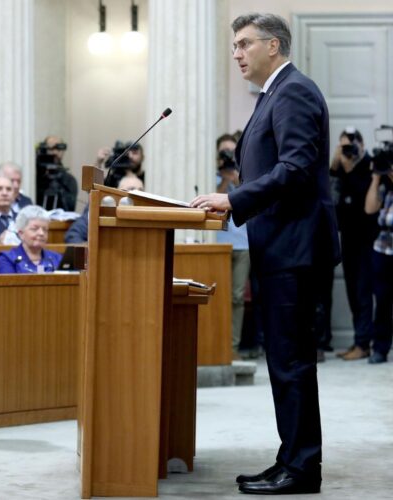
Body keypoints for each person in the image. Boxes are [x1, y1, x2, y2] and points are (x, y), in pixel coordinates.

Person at [191, 13, 339, 495]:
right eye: (234, 45)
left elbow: (295, 167)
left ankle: (302, 469)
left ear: (273, 45)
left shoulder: (293, 91)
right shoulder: (273, 94)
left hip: (294, 247)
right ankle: (290, 459)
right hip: (279, 245)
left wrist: (233, 199)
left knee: (292, 361)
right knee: (283, 360)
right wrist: (236, 201)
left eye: (244, 43)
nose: (236, 53)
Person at [330, 128, 379, 361]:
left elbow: (365, 204)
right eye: (343, 146)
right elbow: (332, 199)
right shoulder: (340, 168)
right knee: (352, 292)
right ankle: (360, 341)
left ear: (361, 145)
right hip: (347, 239)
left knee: (362, 293)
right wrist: (334, 167)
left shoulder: (371, 166)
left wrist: (349, 170)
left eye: (350, 146)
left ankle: (363, 344)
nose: (347, 150)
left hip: (367, 240)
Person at [213, 133, 252, 359]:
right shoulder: (211, 177)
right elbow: (211, 205)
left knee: (237, 297)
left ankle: (233, 348)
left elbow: (248, 202)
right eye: (224, 152)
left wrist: (236, 180)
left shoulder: (244, 176)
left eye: (231, 151)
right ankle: (217, 346)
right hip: (219, 243)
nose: (227, 156)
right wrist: (224, 180)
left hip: (242, 244)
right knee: (218, 296)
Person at [362, 154, 393, 364]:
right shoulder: (384, 186)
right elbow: (369, 209)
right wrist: (375, 177)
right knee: (382, 301)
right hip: (382, 249)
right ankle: (380, 348)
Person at [64, 173, 144, 244]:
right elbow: (73, 235)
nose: (137, 193)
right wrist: (91, 249)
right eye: (131, 189)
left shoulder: (147, 213)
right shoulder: (101, 207)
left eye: (141, 190)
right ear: (118, 192)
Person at [0, 205, 62, 274]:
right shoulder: (8, 258)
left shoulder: (57, 258)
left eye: (45, 230)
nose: (41, 233)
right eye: (34, 229)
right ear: (21, 234)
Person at [35, 135, 78, 211]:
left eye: (58, 148)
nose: (55, 152)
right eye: (51, 148)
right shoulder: (36, 176)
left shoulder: (69, 180)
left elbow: (70, 208)